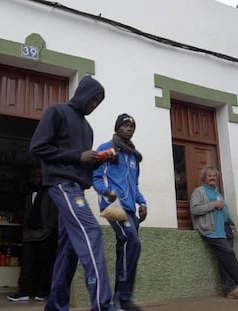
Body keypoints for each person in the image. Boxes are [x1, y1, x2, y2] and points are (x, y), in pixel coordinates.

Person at [30, 75, 116, 311]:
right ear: (83, 94)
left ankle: (56, 306)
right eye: (93, 99)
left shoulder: (87, 129)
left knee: (69, 250)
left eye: (98, 102)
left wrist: (99, 159)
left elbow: (82, 165)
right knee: (91, 232)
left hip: (76, 187)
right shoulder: (56, 112)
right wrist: (78, 155)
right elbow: (37, 147)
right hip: (60, 184)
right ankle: (102, 305)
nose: (94, 105)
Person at [92, 113, 147, 311]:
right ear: (117, 127)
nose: (129, 128)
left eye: (132, 126)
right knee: (132, 240)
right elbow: (95, 177)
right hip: (112, 205)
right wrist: (107, 192)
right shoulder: (105, 149)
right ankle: (120, 299)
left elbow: (135, 185)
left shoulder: (134, 156)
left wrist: (142, 203)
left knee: (130, 248)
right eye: (125, 125)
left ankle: (124, 298)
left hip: (131, 209)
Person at [189, 165, 238, 300]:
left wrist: (231, 224)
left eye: (214, 176)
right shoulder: (199, 192)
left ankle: (230, 289)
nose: (213, 178)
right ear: (204, 178)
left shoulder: (218, 193)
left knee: (225, 260)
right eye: (210, 176)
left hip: (225, 230)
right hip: (211, 231)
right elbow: (195, 209)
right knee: (229, 254)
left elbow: (224, 210)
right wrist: (213, 205)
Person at [7, 167, 58, 302]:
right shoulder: (29, 195)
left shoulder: (51, 194)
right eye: (35, 176)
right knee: (26, 264)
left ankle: (42, 292)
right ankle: (24, 291)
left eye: (39, 176)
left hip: (45, 235)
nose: (37, 178)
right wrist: (25, 232)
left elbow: (53, 215)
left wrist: (48, 230)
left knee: (43, 265)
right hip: (28, 235)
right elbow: (26, 215)